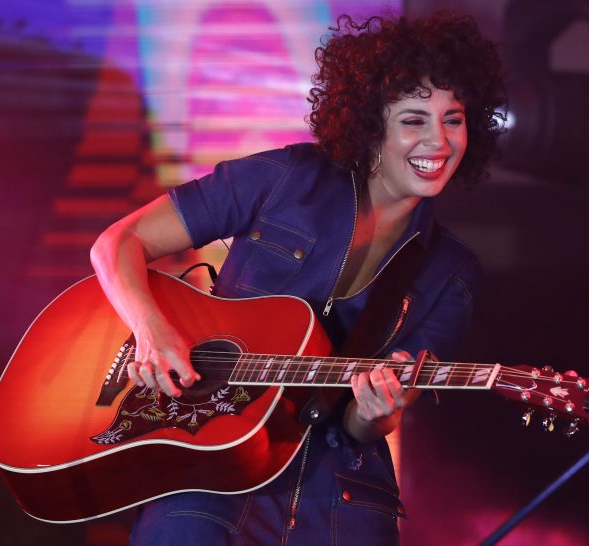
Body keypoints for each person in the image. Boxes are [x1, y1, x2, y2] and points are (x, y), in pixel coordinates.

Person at [90, 11, 505, 546]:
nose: (439, 142)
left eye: (453, 119)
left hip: (341, 501)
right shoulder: (286, 178)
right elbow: (118, 243)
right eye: (414, 120)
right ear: (372, 124)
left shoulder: (452, 272)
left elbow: (362, 424)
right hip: (210, 476)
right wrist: (151, 330)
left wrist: (377, 413)